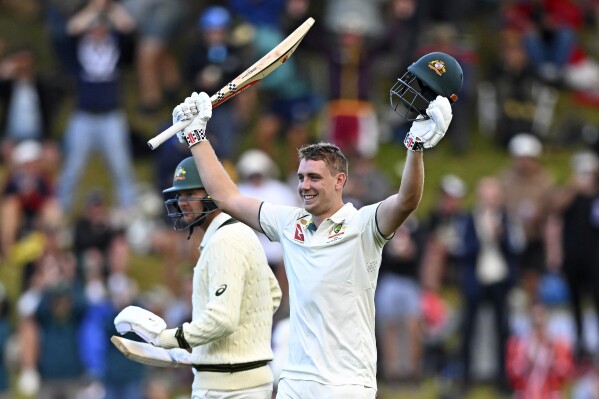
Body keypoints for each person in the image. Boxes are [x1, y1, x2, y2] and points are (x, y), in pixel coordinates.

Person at [171, 51, 462, 397]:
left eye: (314, 178)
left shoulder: (363, 224)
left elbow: (407, 201)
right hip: (296, 382)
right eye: (301, 177)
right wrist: (197, 139)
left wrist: (415, 148)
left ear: (340, 181)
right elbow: (228, 198)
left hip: (347, 385)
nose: (304, 185)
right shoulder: (289, 222)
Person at [114, 156, 282, 398]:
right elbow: (270, 295)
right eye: (180, 196)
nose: (182, 202)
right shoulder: (239, 232)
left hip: (227, 388)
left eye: (190, 194)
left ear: (214, 193)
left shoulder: (225, 241)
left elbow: (222, 319)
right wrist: (210, 346)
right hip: (238, 382)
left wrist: (168, 339)